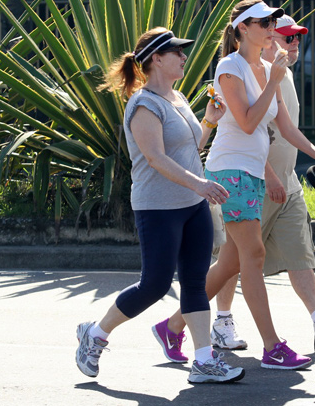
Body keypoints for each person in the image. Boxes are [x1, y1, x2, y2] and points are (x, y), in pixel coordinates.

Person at [152, 0, 315, 370]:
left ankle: (172, 326)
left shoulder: (269, 67)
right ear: (243, 28)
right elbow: (249, 121)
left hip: (251, 172)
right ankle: (272, 346)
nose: (271, 25)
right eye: (262, 20)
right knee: (253, 255)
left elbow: (286, 128)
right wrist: (272, 82)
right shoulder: (230, 67)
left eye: (272, 18)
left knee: (231, 263)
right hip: (230, 171)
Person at [75, 27, 244, 384]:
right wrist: (200, 182)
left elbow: (189, 147)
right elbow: (155, 158)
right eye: (177, 52)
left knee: (195, 283)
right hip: (158, 208)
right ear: (156, 59)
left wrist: (210, 122)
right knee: (154, 284)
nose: (184, 57)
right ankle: (96, 334)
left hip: (192, 204)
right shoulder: (143, 105)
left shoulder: (177, 97)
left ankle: (202, 361)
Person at [208, 15, 315, 351]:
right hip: (252, 180)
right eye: (287, 37)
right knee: (234, 260)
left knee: (299, 253)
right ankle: (215, 320)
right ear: (262, 36)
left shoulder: (281, 75)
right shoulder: (240, 71)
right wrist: (271, 176)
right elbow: (246, 131)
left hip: (287, 182)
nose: (294, 44)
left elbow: (287, 129)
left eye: (297, 39)